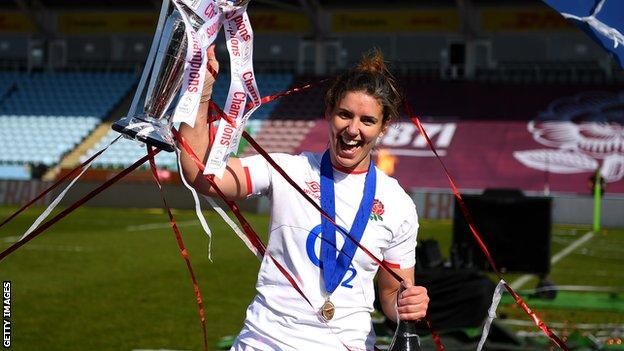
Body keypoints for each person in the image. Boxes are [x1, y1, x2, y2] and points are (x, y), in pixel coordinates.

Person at [179, 47, 429, 351]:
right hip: (266, 342)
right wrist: (201, 89)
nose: (352, 129)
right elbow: (203, 175)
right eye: (344, 114)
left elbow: (390, 297)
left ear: (383, 127)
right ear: (329, 113)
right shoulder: (286, 170)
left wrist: (407, 304)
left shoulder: (398, 203)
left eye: (367, 120)